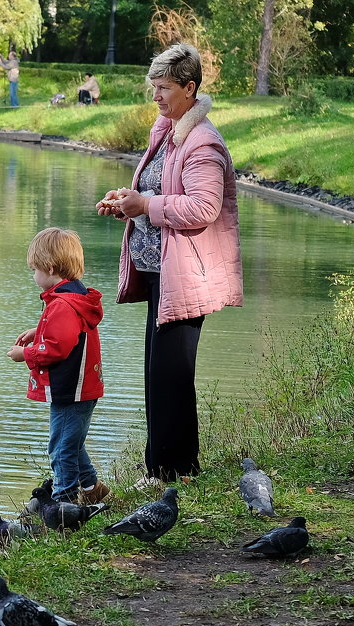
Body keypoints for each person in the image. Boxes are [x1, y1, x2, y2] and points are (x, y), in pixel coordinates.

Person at [96, 42, 243, 486]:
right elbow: (157, 189)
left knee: (171, 376)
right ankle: (163, 469)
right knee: (156, 374)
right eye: (153, 87)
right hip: (162, 269)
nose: (155, 97)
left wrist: (148, 204)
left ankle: (174, 471)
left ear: (189, 88)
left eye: (162, 88)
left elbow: (203, 207)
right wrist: (128, 202)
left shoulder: (203, 141)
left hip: (187, 273)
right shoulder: (168, 129)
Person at [7, 227, 106, 505]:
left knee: (61, 446)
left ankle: (63, 502)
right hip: (81, 386)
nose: (33, 275)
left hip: (70, 388)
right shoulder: (73, 298)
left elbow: (56, 347)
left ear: (49, 268)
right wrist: (36, 331)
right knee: (71, 442)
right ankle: (92, 488)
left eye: (34, 269)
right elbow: (64, 333)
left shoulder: (63, 304)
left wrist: (25, 353)